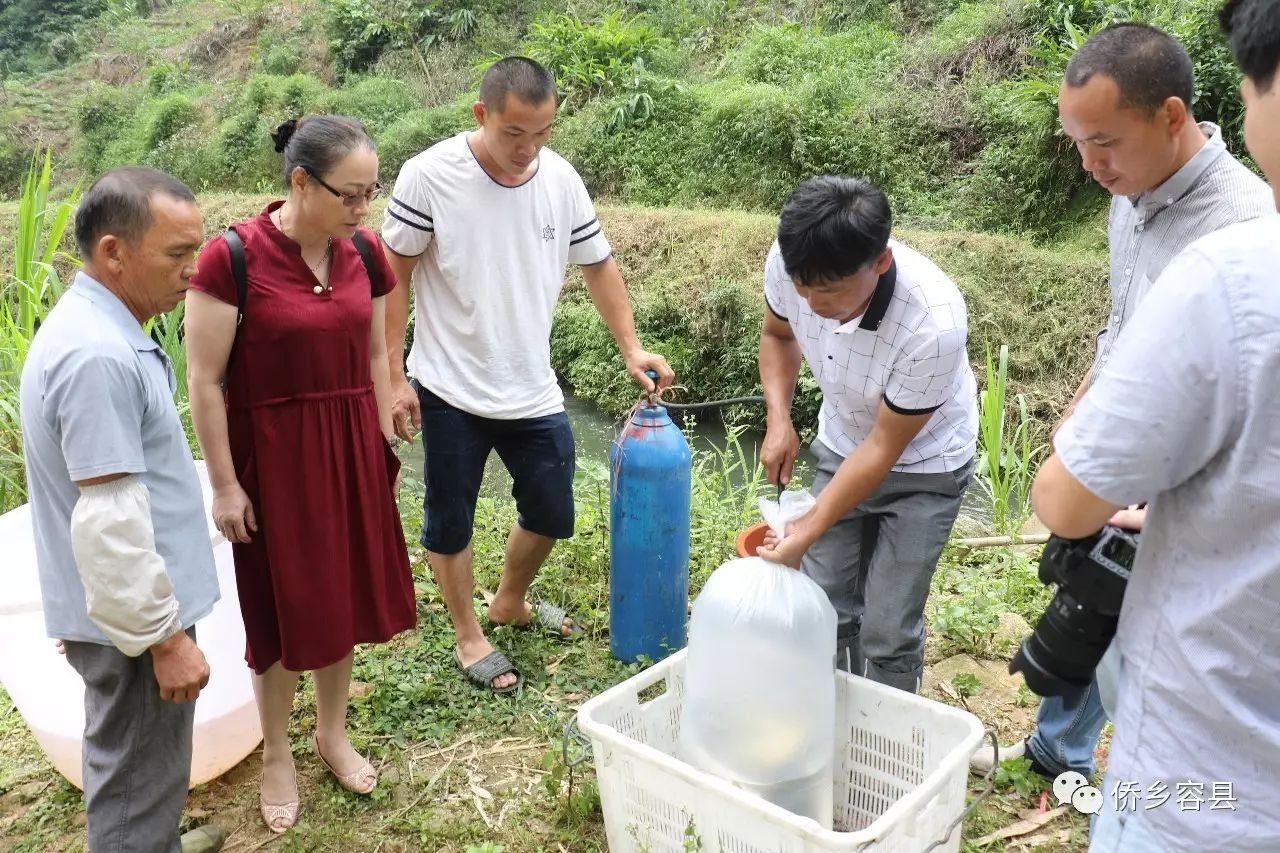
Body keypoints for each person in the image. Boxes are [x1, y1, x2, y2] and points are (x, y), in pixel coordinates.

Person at [969, 22, 1274, 780]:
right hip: (1120, 445)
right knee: (1088, 596)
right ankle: (1057, 749)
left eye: (1103, 141)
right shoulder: (1126, 195)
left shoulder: (1244, 227)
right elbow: (1121, 327)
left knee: (1152, 640)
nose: (1089, 164)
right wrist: (1078, 417)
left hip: (1181, 474)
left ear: (1171, 116)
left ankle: (1148, 786)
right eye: (1077, 142)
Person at [380, 56, 673, 694]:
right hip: (448, 383)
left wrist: (630, 347)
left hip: (531, 385)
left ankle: (508, 600)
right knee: (449, 515)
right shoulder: (429, 176)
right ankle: (467, 634)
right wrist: (391, 374)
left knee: (551, 507)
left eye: (542, 133)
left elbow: (599, 264)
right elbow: (392, 279)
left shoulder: (560, 180)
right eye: (515, 134)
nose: (528, 149)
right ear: (482, 115)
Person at [185, 116, 416, 833]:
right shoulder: (233, 258)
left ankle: (331, 732)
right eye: (350, 194)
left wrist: (381, 436)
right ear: (300, 182)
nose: (363, 208)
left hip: (348, 443)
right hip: (273, 453)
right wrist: (225, 484)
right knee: (281, 607)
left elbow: (375, 354)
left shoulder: (366, 253)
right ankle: (278, 749)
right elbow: (203, 379)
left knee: (338, 595)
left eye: (370, 192)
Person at [19, 167, 224, 852]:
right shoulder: (96, 356)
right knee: (134, 768)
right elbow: (108, 522)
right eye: (175, 254)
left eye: (194, 252)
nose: (191, 271)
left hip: (124, 612)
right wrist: (165, 640)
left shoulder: (100, 328)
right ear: (113, 251)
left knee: (143, 757)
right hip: (136, 626)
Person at [756, 175, 979, 694]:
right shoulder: (794, 262)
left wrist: (805, 531)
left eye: (829, 290)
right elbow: (777, 333)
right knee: (824, 603)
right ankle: (826, 721)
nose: (811, 301)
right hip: (842, 439)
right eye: (802, 286)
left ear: (880, 262)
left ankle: (886, 740)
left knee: (888, 629)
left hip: (926, 465)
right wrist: (779, 418)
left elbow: (883, 448)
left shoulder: (933, 322)